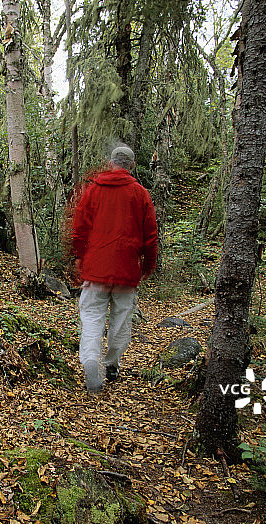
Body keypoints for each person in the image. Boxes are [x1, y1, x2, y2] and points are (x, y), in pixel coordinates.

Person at [71, 145, 158, 393]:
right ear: (131, 166)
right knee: (121, 320)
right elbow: (151, 235)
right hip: (127, 269)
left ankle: (90, 360)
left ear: (111, 163)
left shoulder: (94, 190)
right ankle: (112, 363)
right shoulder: (140, 194)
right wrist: (148, 265)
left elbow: (79, 227)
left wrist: (79, 256)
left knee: (91, 318)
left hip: (96, 268)